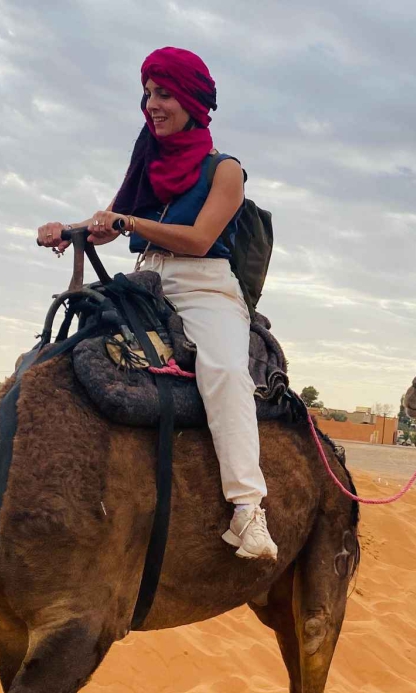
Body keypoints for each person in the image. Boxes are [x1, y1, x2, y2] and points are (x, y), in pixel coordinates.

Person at [36, 47, 276, 560]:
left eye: (163, 93)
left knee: (225, 370)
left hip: (205, 284)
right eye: (147, 94)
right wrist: (69, 229)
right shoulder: (148, 159)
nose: (152, 104)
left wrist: (129, 223)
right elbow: (110, 222)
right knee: (64, 342)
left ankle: (248, 507)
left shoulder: (225, 170)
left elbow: (197, 237)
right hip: (148, 278)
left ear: (190, 99)